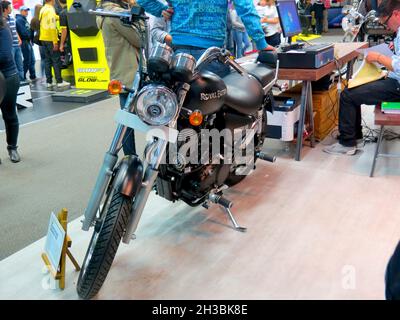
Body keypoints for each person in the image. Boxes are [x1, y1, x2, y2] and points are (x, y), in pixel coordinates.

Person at [324, 0, 400, 156]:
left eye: (385, 22)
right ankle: (354, 136)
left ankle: (347, 144)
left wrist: (379, 57)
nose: (386, 27)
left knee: (348, 95)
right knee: (353, 88)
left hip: (397, 85)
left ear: (396, 14)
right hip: (395, 79)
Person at [137, 0, 273, 77]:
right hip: (211, 54)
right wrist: (260, 42)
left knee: (181, 107)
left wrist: (161, 9)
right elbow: (246, 7)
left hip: (178, 52)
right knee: (213, 109)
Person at [97, 0, 142, 156]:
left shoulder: (103, 13)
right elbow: (139, 38)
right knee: (154, 116)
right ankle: (148, 160)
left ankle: (130, 158)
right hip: (132, 73)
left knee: (126, 121)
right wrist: (135, 11)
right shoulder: (117, 14)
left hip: (121, 71)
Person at [0, 7, 21, 163]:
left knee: (9, 115)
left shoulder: (3, 29)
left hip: (8, 78)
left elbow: (5, 56)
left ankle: (12, 147)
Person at [39, 0, 70, 89]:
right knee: (56, 60)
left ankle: (49, 81)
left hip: (43, 38)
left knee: (47, 60)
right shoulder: (50, 10)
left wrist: (58, 17)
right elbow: (52, 27)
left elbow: (46, 21)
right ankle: (59, 81)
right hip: (50, 38)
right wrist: (55, 41)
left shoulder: (43, 9)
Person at [1, 1, 24, 81]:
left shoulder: (11, 18)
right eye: (10, 7)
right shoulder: (2, 21)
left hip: (17, 45)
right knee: (13, 67)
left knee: (20, 65)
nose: (11, 9)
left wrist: (19, 38)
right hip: (10, 47)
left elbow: (14, 29)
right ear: (5, 9)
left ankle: (22, 81)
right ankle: (17, 81)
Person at [15, 5, 37, 82]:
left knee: (32, 60)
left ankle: (33, 76)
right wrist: (29, 37)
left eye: (27, 10)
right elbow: (23, 32)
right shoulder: (19, 20)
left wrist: (30, 38)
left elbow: (28, 30)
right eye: (25, 11)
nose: (26, 12)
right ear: (21, 11)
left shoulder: (24, 19)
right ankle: (23, 77)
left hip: (28, 41)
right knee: (27, 60)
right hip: (24, 42)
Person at [30, 3, 46, 79]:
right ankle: (47, 75)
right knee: (49, 59)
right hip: (46, 39)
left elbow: (31, 32)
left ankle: (42, 75)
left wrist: (32, 41)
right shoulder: (43, 18)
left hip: (39, 42)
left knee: (43, 59)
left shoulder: (33, 20)